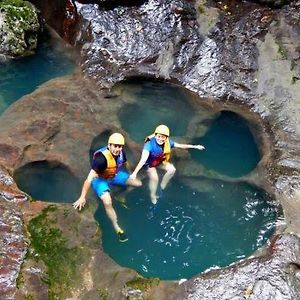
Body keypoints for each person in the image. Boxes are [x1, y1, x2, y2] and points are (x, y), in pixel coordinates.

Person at [73, 132, 142, 242]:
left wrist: (130, 173)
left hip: (113, 175)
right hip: (100, 180)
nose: (117, 149)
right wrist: (82, 197)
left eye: (119, 146)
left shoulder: (121, 153)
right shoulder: (101, 159)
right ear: (109, 145)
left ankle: (121, 195)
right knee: (107, 201)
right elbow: (89, 179)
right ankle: (117, 227)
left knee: (138, 183)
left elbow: (125, 162)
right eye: (115, 146)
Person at [129, 125, 205, 204]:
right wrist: (135, 173)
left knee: (172, 170)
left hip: (160, 161)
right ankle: (152, 195)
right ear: (155, 135)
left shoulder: (168, 142)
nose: (160, 139)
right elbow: (143, 160)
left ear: (166, 138)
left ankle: (161, 188)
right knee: (155, 178)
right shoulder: (149, 145)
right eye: (159, 136)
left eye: (163, 137)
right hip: (150, 163)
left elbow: (180, 146)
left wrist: (195, 146)